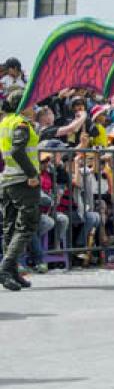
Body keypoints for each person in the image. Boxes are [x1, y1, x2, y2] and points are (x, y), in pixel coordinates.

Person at [0, 90, 40, 290]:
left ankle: (12, 272)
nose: (34, 108)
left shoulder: (5, 122)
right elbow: (17, 150)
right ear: (23, 105)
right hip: (23, 181)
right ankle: (6, 269)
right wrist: (32, 174)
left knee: (10, 227)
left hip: (8, 180)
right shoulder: (20, 124)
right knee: (26, 225)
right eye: (31, 103)